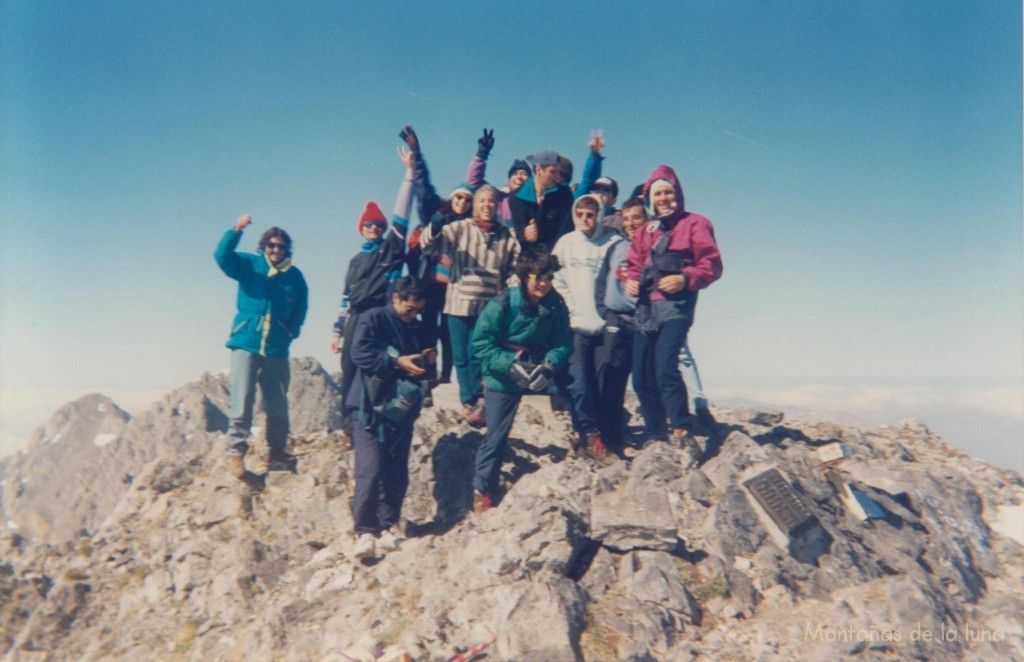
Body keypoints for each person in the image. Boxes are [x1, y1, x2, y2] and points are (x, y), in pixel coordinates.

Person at [626, 165, 723, 467]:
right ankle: (655, 432)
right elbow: (632, 264)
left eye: (668, 191)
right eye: (658, 193)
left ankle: (681, 427)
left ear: (677, 193)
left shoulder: (696, 223)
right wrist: (628, 279)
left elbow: (712, 265)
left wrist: (685, 278)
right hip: (645, 310)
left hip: (675, 310)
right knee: (641, 376)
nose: (664, 198)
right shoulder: (645, 232)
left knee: (666, 366)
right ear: (649, 199)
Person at [470, 246, 574, 512]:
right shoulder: (504, 302)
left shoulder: (556, 303)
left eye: (549, 277)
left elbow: (563, 342)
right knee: (496, 435)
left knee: (580, 386)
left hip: (539, 368)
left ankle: (588, 440)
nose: (544, 283)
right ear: (524, 276)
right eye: (538, 276)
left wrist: (550, 366)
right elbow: (480, 343)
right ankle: (483, 490)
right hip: (503, 375)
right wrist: (510, 365)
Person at [347, 277, 435, 560]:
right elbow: (359, 352)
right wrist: (396, 362)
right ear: (395, 298)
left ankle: (387, 526)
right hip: (368, 406)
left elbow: (417, 362)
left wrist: (425, 360)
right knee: (370, 470)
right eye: (409, 309)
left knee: (396, 471)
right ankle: (364, 531)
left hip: (400, 407)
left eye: (417, 310)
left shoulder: (416, 327)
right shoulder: (372, 318)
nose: (413, 315)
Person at [331, 145, 416, 439]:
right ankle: (349, 428)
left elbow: (402, 215)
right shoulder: (355, 261)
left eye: (378, 224)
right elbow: (345, 297)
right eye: (368, 224)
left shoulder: (391, 248)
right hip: (355, 317)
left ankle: (385, 421)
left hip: (381, 314)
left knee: (382, 368)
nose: (373, 227)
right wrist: (337, 331)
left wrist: (409, 174)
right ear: (360, 228)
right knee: (350, 370)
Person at [215, 216, 308, 479]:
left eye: (280, 246)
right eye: (271, 245)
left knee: (277, 403)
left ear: (287, 249)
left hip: (276, 347)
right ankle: (235, 452)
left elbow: (301, 308)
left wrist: (291, 332)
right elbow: (222, 256)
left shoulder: (295, 277)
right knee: (242, 399)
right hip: (246, 341)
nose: (276, 250)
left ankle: (276, 451)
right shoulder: (249, 265)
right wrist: (236, 230)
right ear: (263, 246)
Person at [419, 184, 520, 426]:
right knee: (461, 357)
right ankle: (468, 403)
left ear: (497, 207)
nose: (487, 206)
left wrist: (511, 292)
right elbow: (429, 246)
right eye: (482, 201)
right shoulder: (460, 229)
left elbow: (514, 268)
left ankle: (480, 401)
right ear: (475, 206)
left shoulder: (506, 236)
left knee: (478, 355)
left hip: (488, 307)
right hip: (457, 304)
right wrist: (433, 226)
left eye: (491, 202)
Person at [552, 194, 620, 462]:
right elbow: (556, 278)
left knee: (604, 384)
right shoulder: (565, 244)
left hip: (604, 326)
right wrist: (570, 306)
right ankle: (588, 435)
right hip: (575, 324)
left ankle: (607, 436)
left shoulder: (613, 243)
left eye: (590, 215)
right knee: (578, 382)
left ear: (600, 215)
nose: (584, 220)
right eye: (579, 214)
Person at [594, 196, 646, 451]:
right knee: (612, 381)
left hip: (642, 322)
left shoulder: (654, 247)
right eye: (626, 219)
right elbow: (602, 281)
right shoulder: (616, 248)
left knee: (645, 380)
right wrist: (605, 311)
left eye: (636, 218)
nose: (631, 224)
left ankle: (656, 434)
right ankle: (611, 440)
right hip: (616, 320)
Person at [509, 149, 575, 251]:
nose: (557, 177)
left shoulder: (565, 195)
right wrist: (526, 235)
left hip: (556, 257)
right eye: (553, 172)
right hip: (529, 258)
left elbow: (566, 230)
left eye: (559, 172)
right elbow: (519, 231)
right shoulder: (517, 196)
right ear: (538, 170)